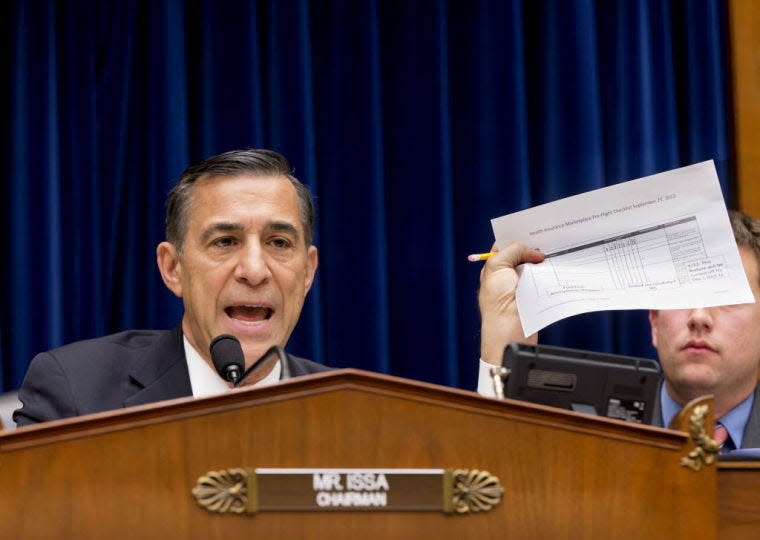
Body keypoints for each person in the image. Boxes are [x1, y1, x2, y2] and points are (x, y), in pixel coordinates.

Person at [14, 149, 330, 426]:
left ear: (307, 272)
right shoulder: (77, 392)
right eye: (224, 242)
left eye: (278, 242)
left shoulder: (354, 410)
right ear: (172, 268)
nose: (254, 270)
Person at [476, 210, 760, 450]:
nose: (699, 317)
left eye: (727, 298)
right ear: (653, 322)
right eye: (681, 296)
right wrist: (505, 327)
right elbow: (501, 483)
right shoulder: (587, 436)